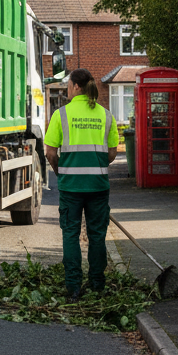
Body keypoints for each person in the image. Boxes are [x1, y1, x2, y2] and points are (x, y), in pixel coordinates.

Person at [43, 68, 120, 300]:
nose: (67, 88)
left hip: (71, 187)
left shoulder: (61, 115)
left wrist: (61, 172)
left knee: (70, 234)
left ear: (76, 86)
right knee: (97, 236)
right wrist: (95, 164)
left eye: (68, 84)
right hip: (98, 186)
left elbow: (49, 152)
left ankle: (73, 287)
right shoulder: (106, 115)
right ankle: (97, 285)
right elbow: (113, 152)